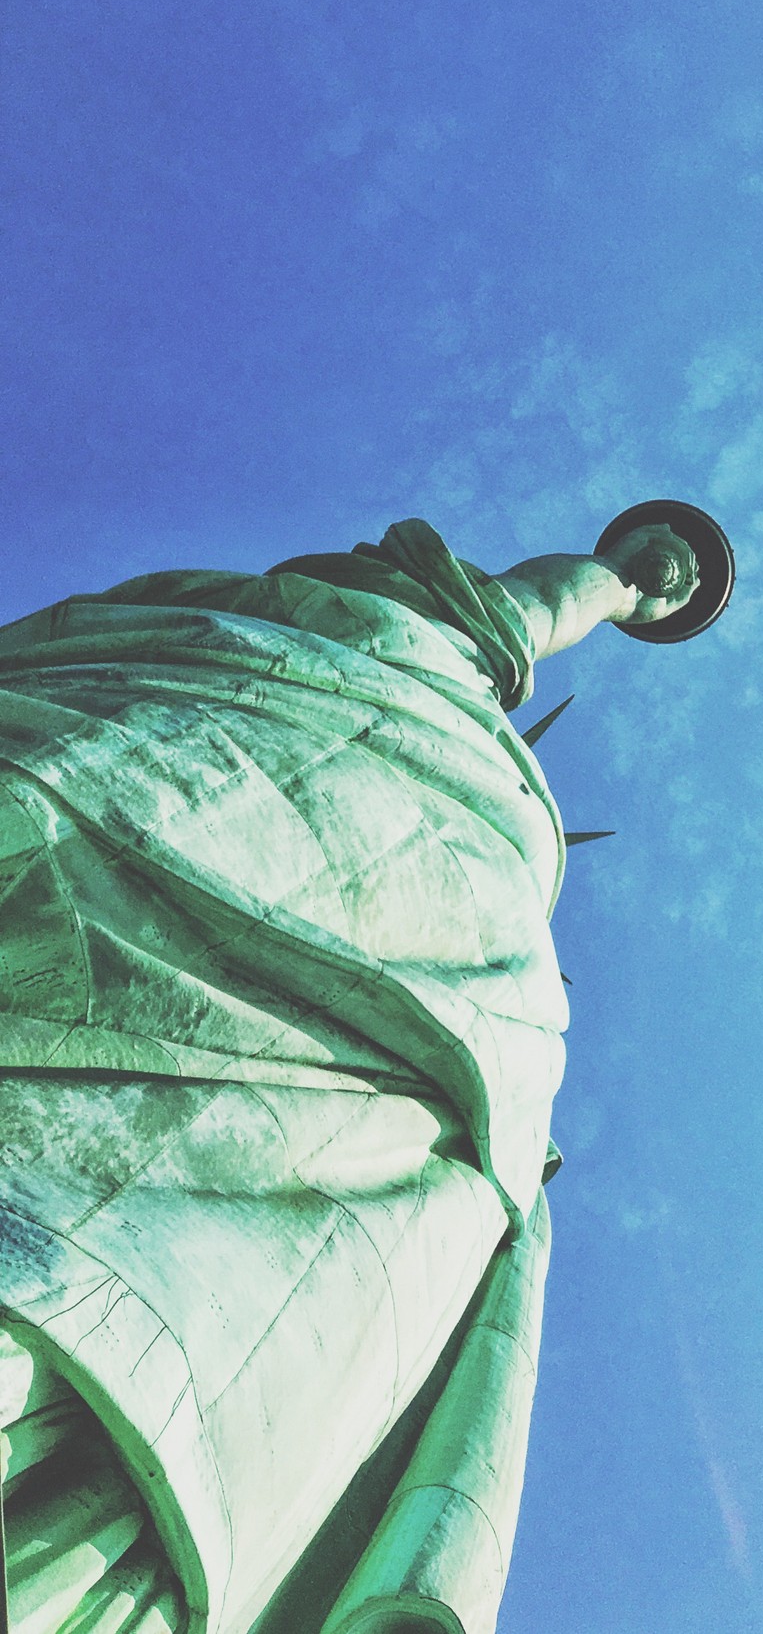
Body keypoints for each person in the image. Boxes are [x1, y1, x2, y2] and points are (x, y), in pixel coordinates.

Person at [0, 515, 701, 1634]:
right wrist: (629, 586)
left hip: (396, 847)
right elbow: (531, 602)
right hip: (332, 755)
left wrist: (626, 583)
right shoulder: (437, 647)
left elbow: (534, 601)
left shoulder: (433, 679)